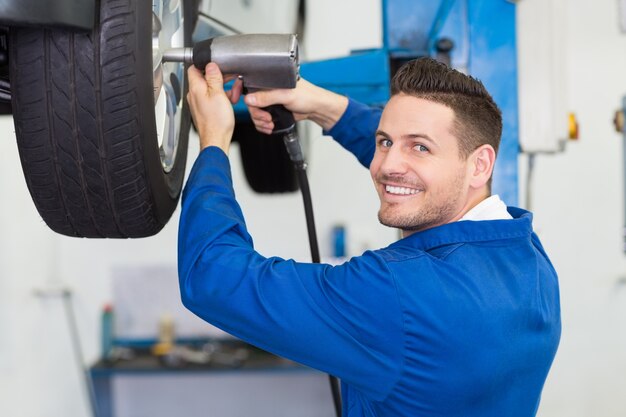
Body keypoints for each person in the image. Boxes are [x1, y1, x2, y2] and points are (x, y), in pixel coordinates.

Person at [179, 57, 561, 417]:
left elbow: (212, 277)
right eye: (385, 142)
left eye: (420, 146)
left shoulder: (396, 292)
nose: (387, 166)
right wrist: (323, 107)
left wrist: (214, 141)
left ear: (480, 164)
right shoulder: (528, 257)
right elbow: (421, 175)